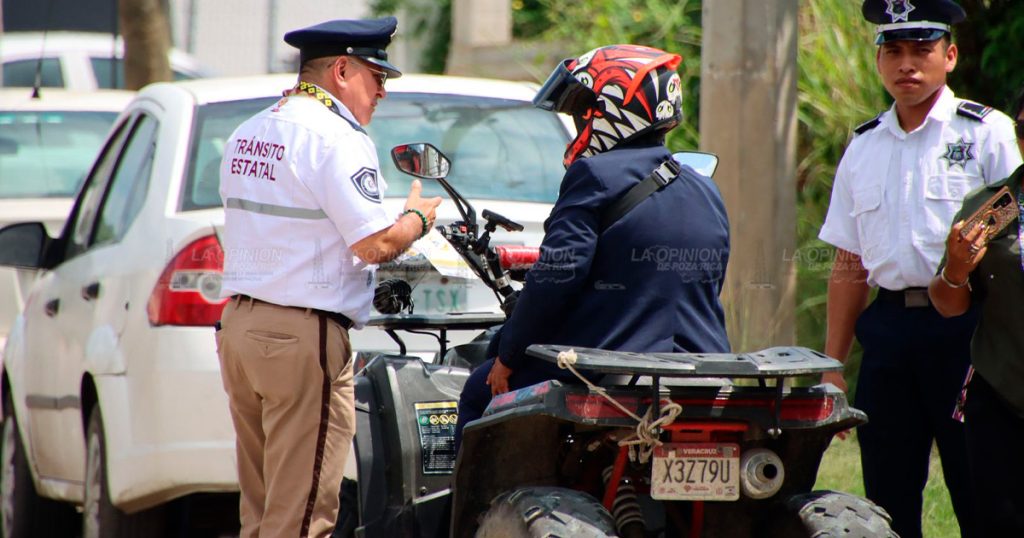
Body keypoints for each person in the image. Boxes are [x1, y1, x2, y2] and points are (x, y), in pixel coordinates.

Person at [215, 17, 442, 538]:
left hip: (241, 330)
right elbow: (375, 245)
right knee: (301, 518)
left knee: (262, 513)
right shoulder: (336, 137)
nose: (382, 91)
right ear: (341, 70)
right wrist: (417, 220)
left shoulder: (251, 130)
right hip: (299, 337)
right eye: (376, 76)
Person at [454, 44, 732, 449]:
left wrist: (507, 354)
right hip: (704, 369)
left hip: (608, 368)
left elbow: (557, 276)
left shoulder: (595, 175)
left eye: (584, 109)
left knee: (477, 392)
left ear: (614, 110)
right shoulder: (705, 187)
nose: (579, 120)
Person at [817, 1, 1022, 536]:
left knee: (982, 495)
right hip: (888, 334)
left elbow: (1014, 241)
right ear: (879, 60)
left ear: (949, 56)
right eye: (894, 51)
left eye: (921, 50)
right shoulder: (864, 145)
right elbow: (849, 261)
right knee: (886, 500)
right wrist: (832, 365)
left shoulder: (986, 133)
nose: (906, 64)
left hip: (969, 332)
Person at [928, 86, 1024, 536]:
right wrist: (955, 269)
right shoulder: (999, 207)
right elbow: (948, 303)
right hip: (1003, 395)